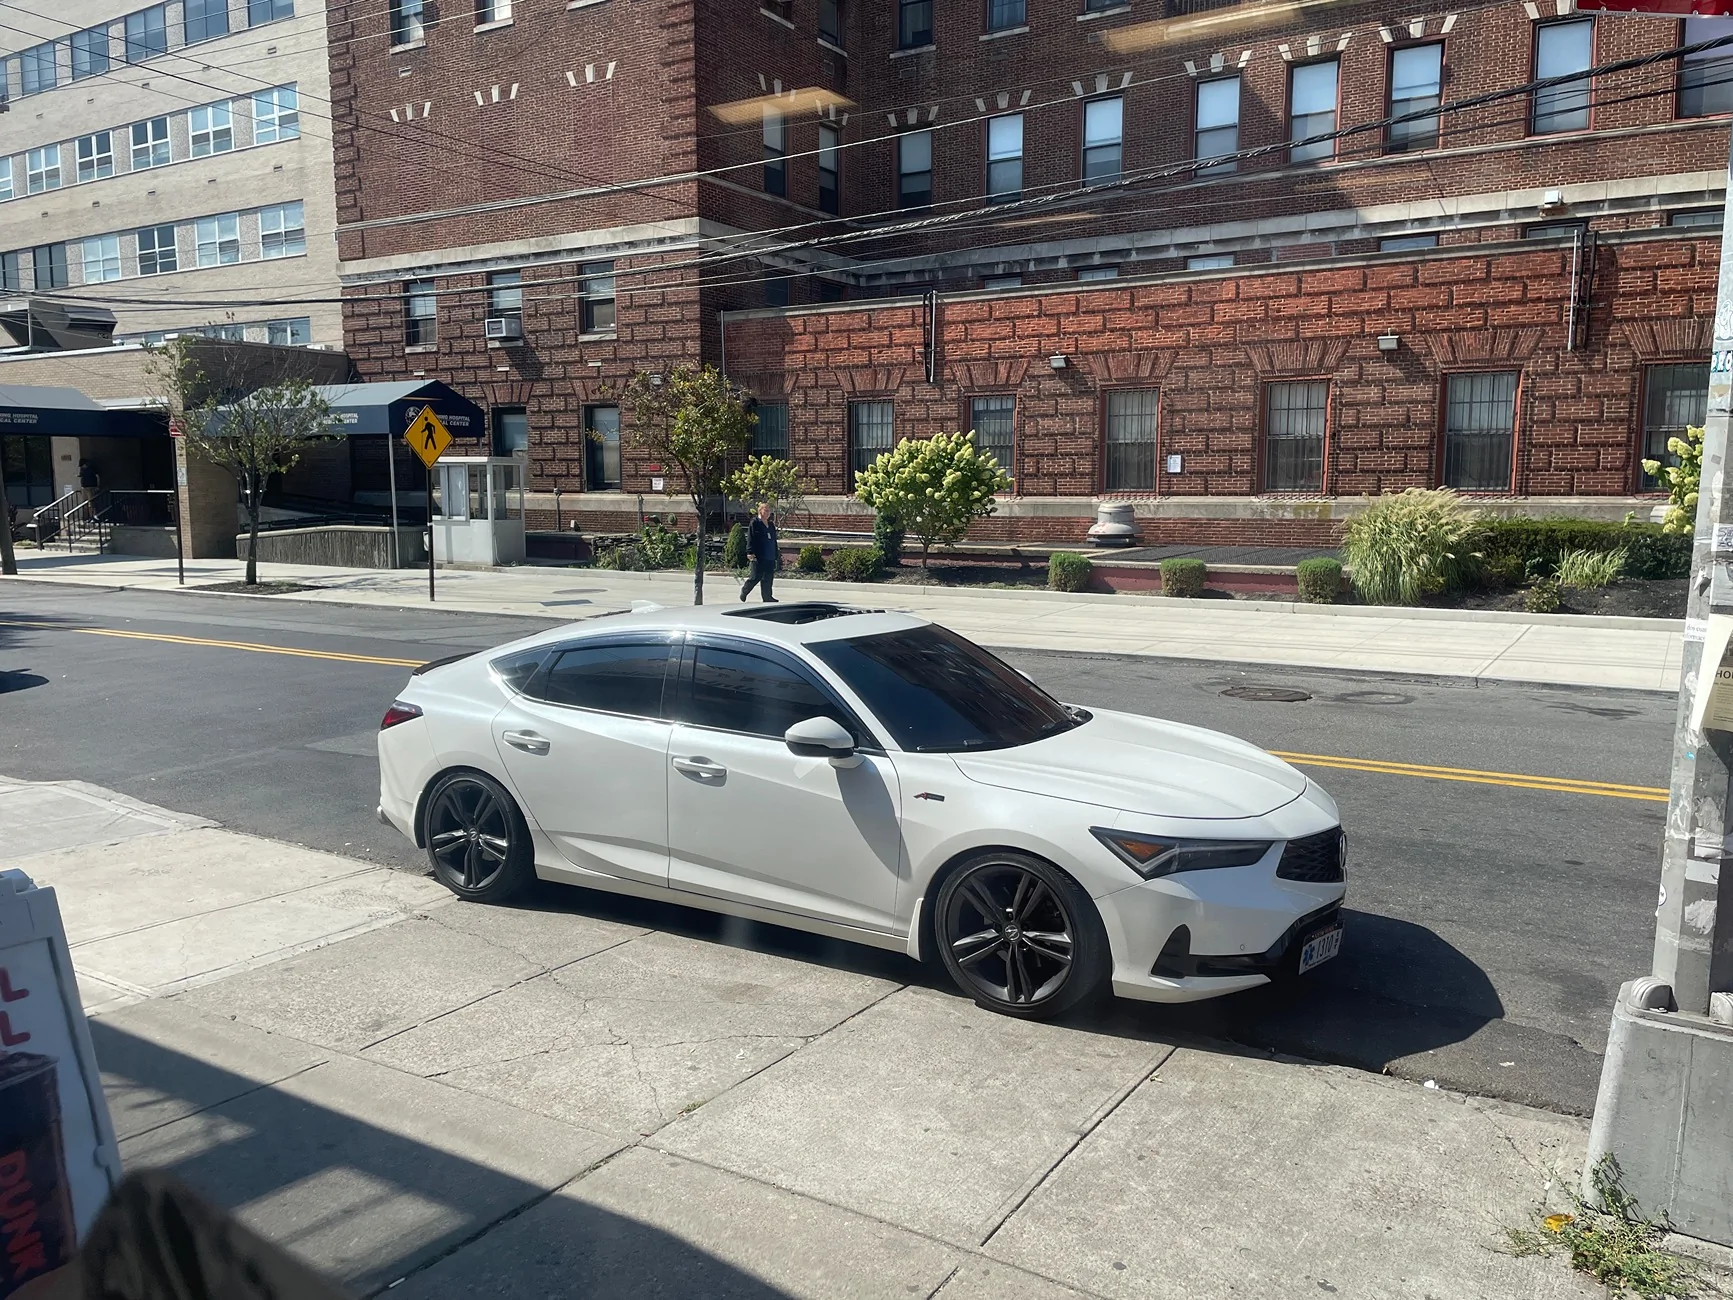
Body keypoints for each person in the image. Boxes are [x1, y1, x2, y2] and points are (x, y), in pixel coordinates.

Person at [739, 501, 780, 603]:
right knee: (755, 576)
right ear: (760, 511)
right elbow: (750, 538)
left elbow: (774, 540)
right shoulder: (755, 523)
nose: (767, 513)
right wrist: (750, 552)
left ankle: (767, 597)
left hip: (769, 555)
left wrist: (776, 553)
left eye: (769, 511)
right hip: (759, 555)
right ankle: (745, 591)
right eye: (765, 510)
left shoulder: (770, 525)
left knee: (768, 578)